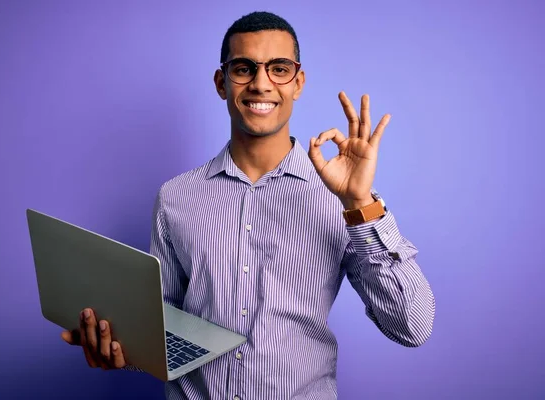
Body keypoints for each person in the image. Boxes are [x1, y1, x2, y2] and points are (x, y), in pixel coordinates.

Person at [61, 10, 435, 400]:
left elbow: (412, 326)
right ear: (222, 83)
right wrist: (121, 348)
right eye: (244, 68)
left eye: (279, 69)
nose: (261, 84)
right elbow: (161, 328)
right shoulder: (175, 198)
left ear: (298, 82)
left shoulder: (340, 203)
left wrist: (360, 203)